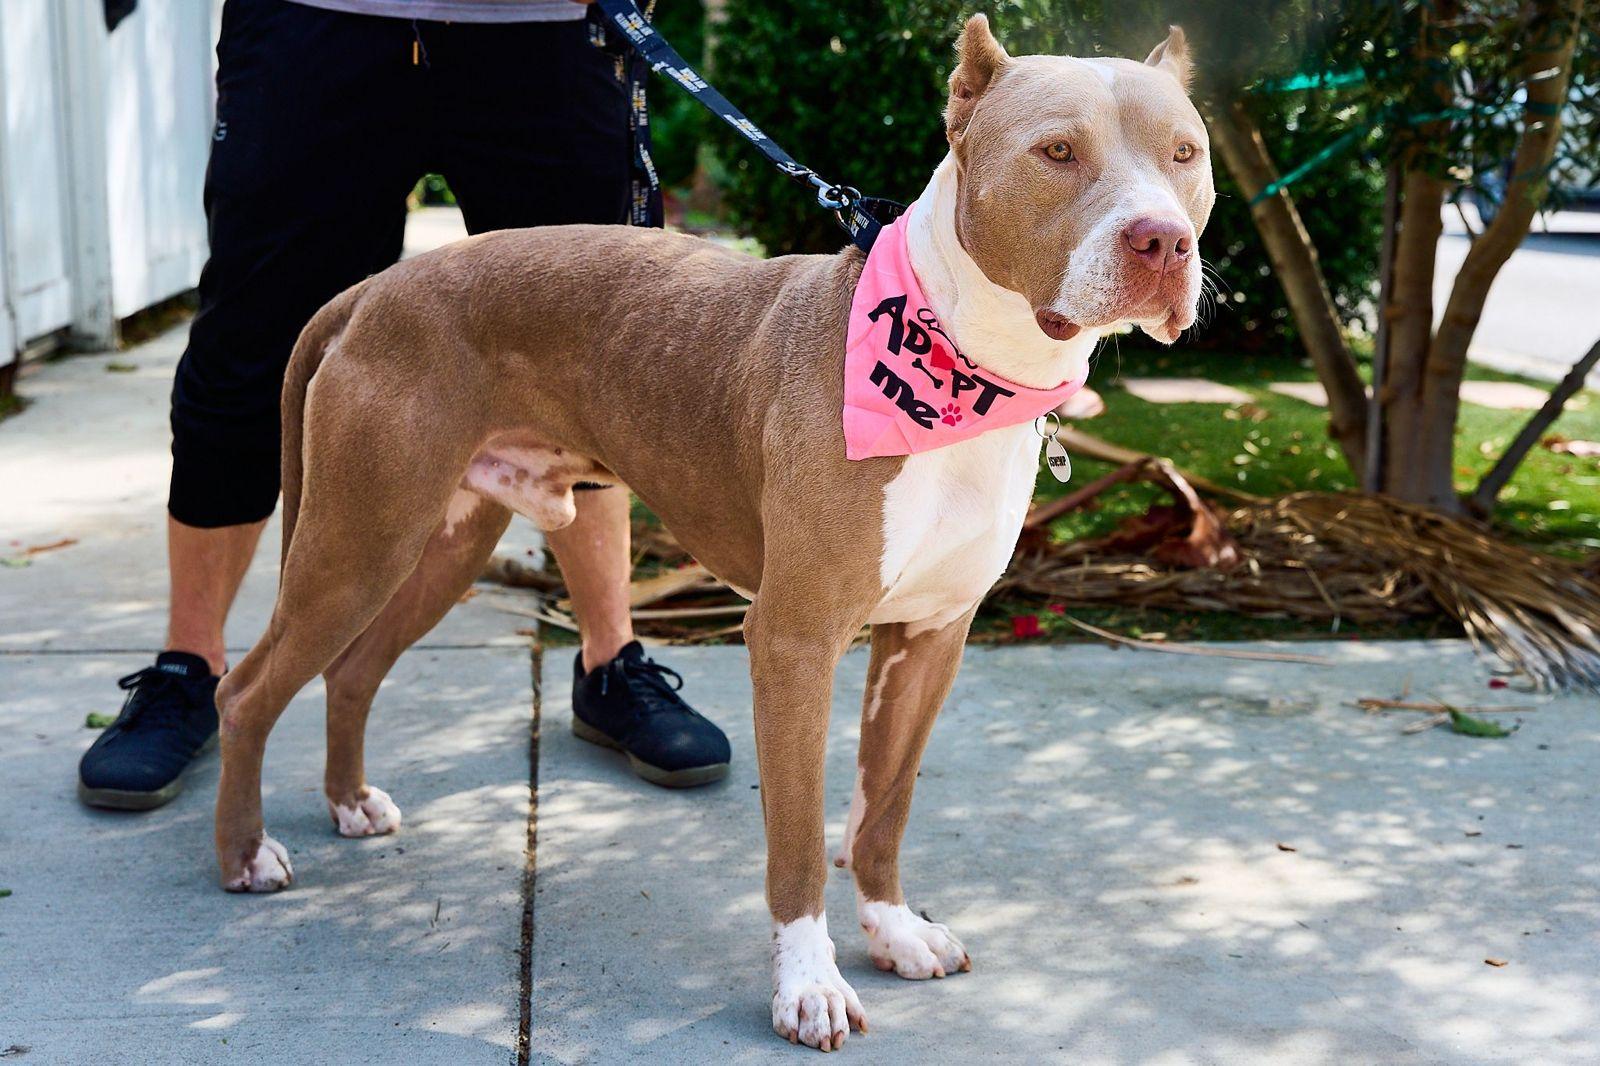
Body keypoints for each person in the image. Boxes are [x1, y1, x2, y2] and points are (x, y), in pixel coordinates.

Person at [77, 0, 729, 810]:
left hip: (548, 28)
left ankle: (610, 661)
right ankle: (188, 665)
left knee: (592, 357)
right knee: (248, 345)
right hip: (315, 19)